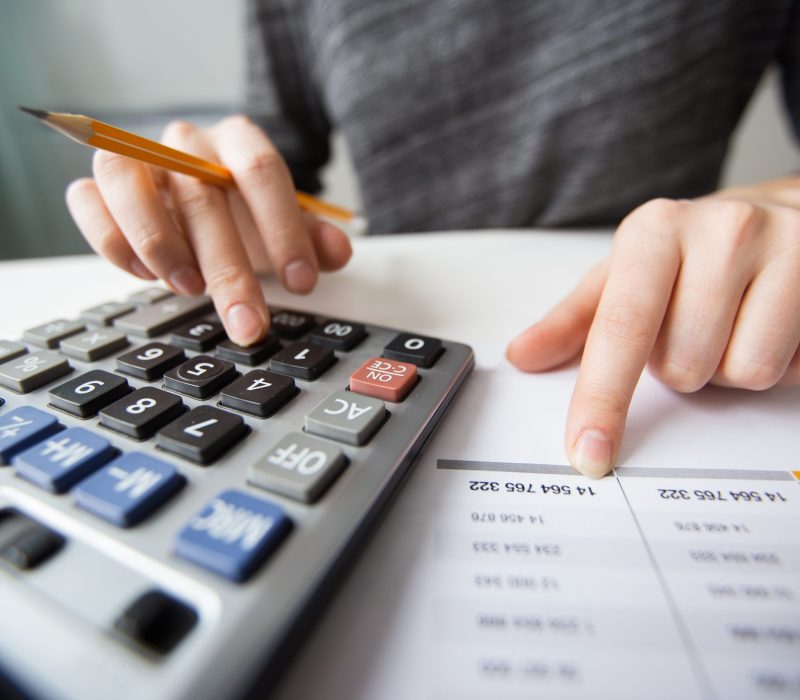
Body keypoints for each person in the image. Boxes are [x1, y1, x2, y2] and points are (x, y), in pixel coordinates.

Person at [65, 1, 800, 478]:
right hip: (387, 324)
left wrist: (776, 203)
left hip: (677, 323)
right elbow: (275, 160)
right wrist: (213, 202)